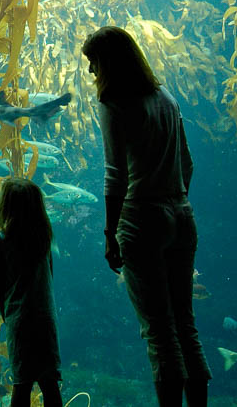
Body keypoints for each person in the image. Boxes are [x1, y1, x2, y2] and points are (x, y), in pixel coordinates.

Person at [82, 26, 211, 407]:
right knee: (186, 326)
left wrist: (110, 232)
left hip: (143, 217)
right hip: (181, 214)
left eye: (93, 63)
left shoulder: (114, 102)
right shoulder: (165, 97)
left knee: (159, 332)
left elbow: (115, 174)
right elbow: (187, 163)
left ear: (109, 63)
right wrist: (174, 199)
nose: (91, 72)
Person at [0, 177, 63, 407]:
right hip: (46, 318)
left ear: (5, 206)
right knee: (50, 384)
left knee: (22, 386)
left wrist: (7, 316)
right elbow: (49, 277)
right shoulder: (44, 238)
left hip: (19, 321)